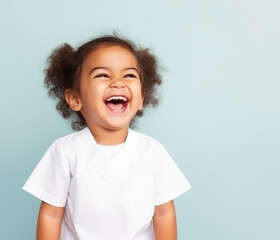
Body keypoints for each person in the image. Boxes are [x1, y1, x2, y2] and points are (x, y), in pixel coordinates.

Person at [23, 35, 191, 240]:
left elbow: (164, 212)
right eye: (102, 75)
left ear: (141, 99)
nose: (117, 83)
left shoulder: (151, 151)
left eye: (129, 75)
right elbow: (51, 215)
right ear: (75, 99)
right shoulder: (65, 152)